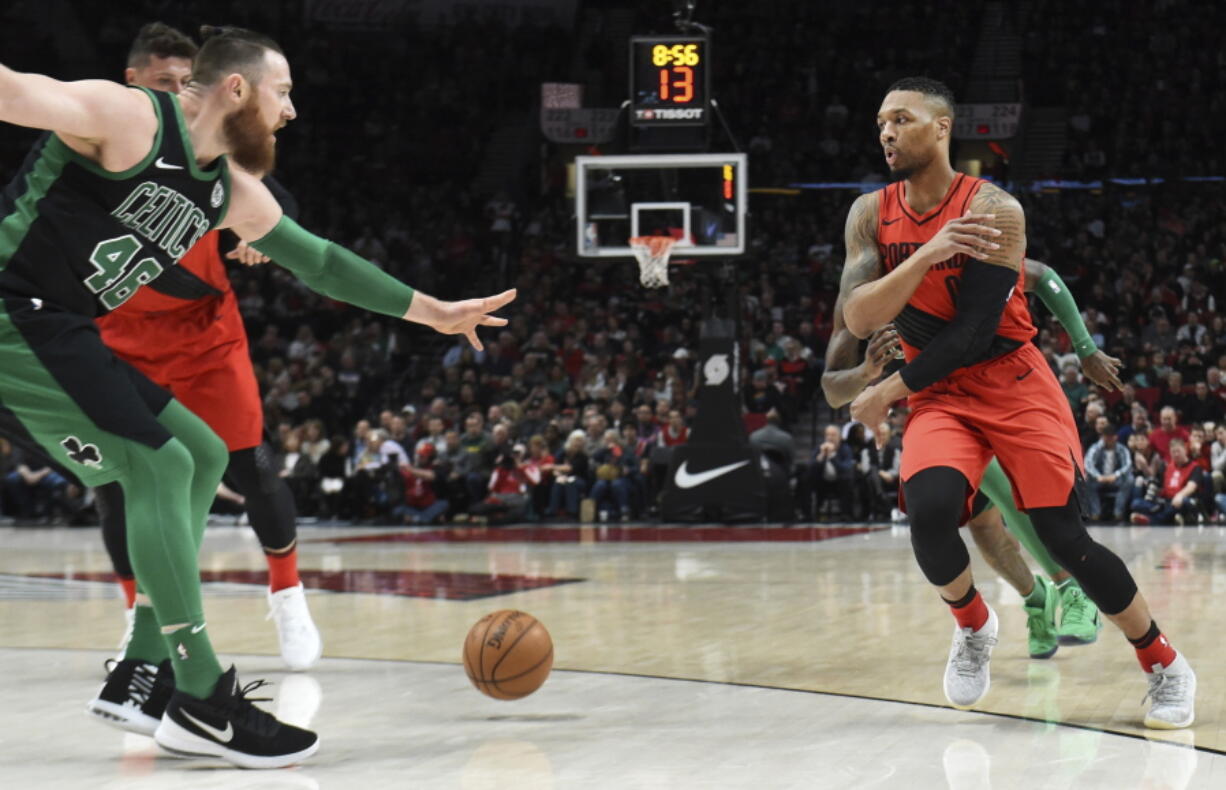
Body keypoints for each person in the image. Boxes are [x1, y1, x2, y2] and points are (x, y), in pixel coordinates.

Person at [0, 25, 515, 766]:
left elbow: (321, 262)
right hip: (13, 317)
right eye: (284, 92)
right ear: (236, 89)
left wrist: (433, 311)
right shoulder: (131, 118)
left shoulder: (224, 189)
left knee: (205, 452)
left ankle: (144, 677)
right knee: (157, 467)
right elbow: (18, 92)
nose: (292, 112)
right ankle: (204, 699)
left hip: (59, 326)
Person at [839, 77, 1192, 727]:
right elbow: (859, 318)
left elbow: (973, 332)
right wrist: (927, 257)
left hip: (1012, 382)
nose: (885, 131)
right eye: (880, 121)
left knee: (1064, 541)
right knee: (931, 511)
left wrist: (888, 390)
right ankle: (974, 625)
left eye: (901, 119)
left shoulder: (994, 210)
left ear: (941, 127)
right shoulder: (870, 212)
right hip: (940, 394)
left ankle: (1164, 663)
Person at [89, 24, 323, 676]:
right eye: (168, 83)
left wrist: (263, 229)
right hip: (118, 337)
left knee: (251, 468)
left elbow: (281, 203)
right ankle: (141, 621)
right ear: (135, 82)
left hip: (203, 334)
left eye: (189, 81)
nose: (183, 95)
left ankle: (288, 595)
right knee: (117, 488)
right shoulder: (108, 134)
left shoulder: (218, 146)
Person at [823, 255, 1114, 658]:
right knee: (986, 533)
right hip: (939, 413)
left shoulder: (955, 261)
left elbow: (1042, 275)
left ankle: (1070, 586)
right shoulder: (860, 297)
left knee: (1008, 496)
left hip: (998, 396)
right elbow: (833, 389)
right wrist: (867, 374)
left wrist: (1084, 347)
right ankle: (1036, 598)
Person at [1129, 439, 1206, 526]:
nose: (1176, 454)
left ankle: (1151, 520)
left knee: (1183, 502)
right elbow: (1160, 486)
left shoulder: (1195, 468)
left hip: (1182, 500)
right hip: (1165, 502)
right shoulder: (1166, 466)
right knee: (1136, 503)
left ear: (1185, 450)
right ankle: (1168, 517)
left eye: (1178, 451)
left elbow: (1191, 487)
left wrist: (1180, 495)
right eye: (1173, 452)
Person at [1084, 422, 1133, 522]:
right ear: (1103, 437)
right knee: (1087, 481)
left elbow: (1127, 465)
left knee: (1129, 479)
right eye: (1107, 437)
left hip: (1115, 479)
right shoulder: (1095, 448)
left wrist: (1115, 475)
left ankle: (1118, 512)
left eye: (1111, 436)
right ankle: (1095, 512)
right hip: (1099, 478)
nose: (1109, 439)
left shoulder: (1122, 449)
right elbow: (1088, 463)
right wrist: (1098, 476)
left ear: (1116, 437)